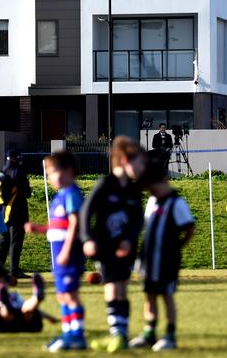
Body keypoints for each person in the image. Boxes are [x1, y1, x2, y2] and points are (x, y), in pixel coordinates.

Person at [80, 136, 146, 353]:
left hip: (126, 248)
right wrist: (87, 238)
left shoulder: (134, 190)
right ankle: (117, 334)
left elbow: (137, 219)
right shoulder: (105, 184)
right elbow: (86, 212)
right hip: (105, 247)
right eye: (139, 162)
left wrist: (129, 239)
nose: (142, 167)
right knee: (112, 287)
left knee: (122, 288)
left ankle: (121, 335)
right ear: (125, 160)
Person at [129, 152, 195, 351]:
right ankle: (149, 334)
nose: (150, 191)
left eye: (152, 186)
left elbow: (189, 228)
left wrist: (178, 247)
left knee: (166, 295)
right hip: (149, 258)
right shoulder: (152, 201)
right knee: (149, 294)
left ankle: (170, 335)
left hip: (167, 260)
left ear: (163, 181)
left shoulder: (176, 203)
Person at [24, 151, 87, 352]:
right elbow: (60, 226)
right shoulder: (60, 196)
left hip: (68, 253)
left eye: (52, 172)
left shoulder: (72, 194)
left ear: (68, 171)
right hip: (59, 253)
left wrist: (67, 250)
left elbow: (75, 223)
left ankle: (77, 336)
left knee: (70, 295)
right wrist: (40, 229)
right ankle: (68, 333)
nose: (49, 177)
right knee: (62, 295)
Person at [0, 150, 32, 280]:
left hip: (3, 211)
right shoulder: (18, 172)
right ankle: (14, 270)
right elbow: (26, 192)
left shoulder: (2, 171)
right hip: (17, 211)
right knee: (15, 242)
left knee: (3, 241)